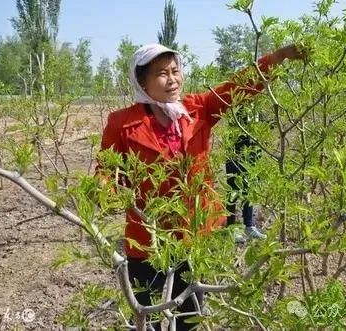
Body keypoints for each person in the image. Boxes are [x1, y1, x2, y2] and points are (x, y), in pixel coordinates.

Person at [98, 42, 304, 330]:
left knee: (189, 315)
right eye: (161, 73)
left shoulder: (197, 108)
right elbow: (107, 171)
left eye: (175, 71)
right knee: (153, 315)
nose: (172, 79)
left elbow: (238, 87)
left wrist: (277, 58)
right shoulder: (122, 123)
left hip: (194, 232)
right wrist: (107, 191)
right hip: (148, 239)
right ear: (142, 81)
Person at [225, 108, 266, 243]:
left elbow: (264, 132)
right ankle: (231, 228)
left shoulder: (260, 110)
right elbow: (234, 136)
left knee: (248, 192)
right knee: (233, 193)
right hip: (235, 158)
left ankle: (249, 226)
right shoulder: (240, 111)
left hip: (252, 160)